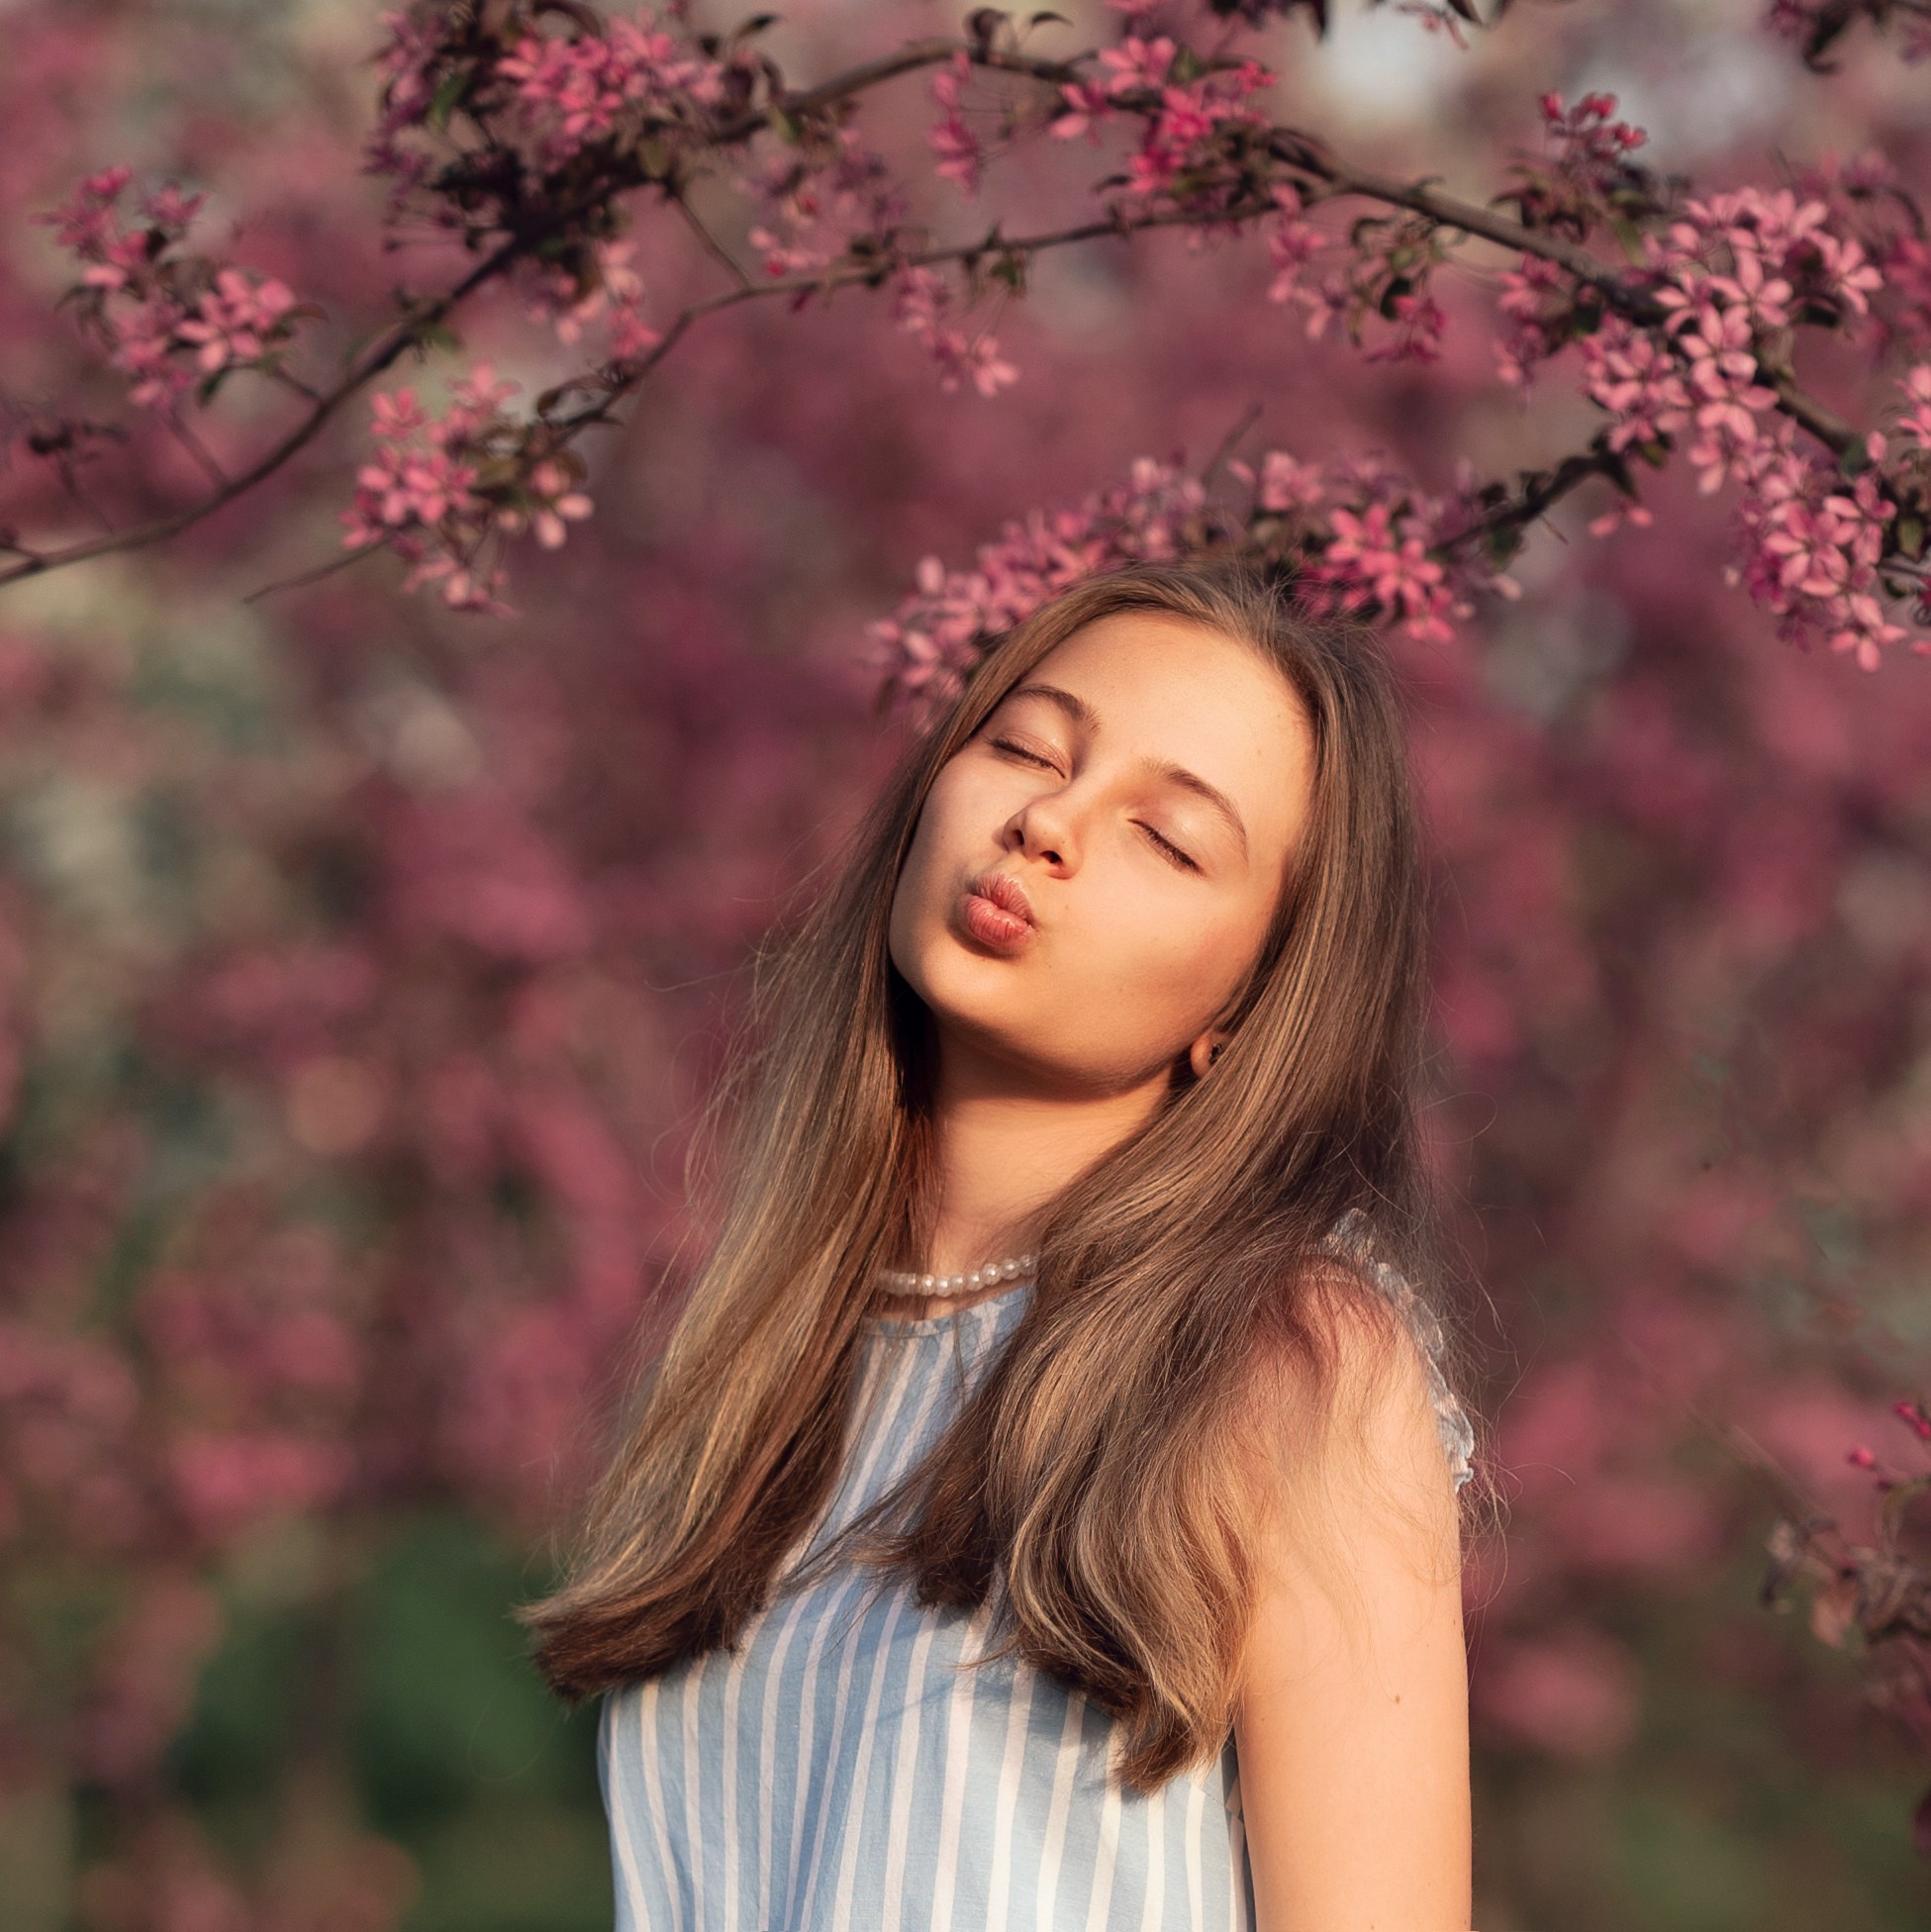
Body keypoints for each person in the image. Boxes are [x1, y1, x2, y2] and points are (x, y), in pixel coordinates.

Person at [521, 553, 1489, 1931]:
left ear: (1252, 1005)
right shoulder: (769, 1358)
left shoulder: (1286, 1364)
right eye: (1027, 747)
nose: (1047, 823)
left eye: (1169, 838)